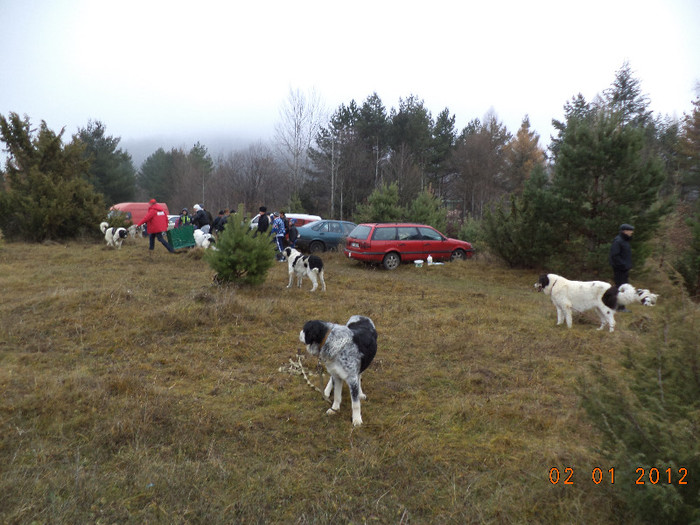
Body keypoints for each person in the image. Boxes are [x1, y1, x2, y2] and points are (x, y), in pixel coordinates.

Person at [609, 223, 634, 312]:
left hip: (624, 269)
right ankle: (619, 307)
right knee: (620, 287)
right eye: (630, 230)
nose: (631, 232)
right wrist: (623, 265)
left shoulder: (625, 241)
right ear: (625, 231)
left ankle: (620, 306)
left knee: (623, 287)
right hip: (619, 269)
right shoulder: (618, 241)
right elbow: (614, 256)